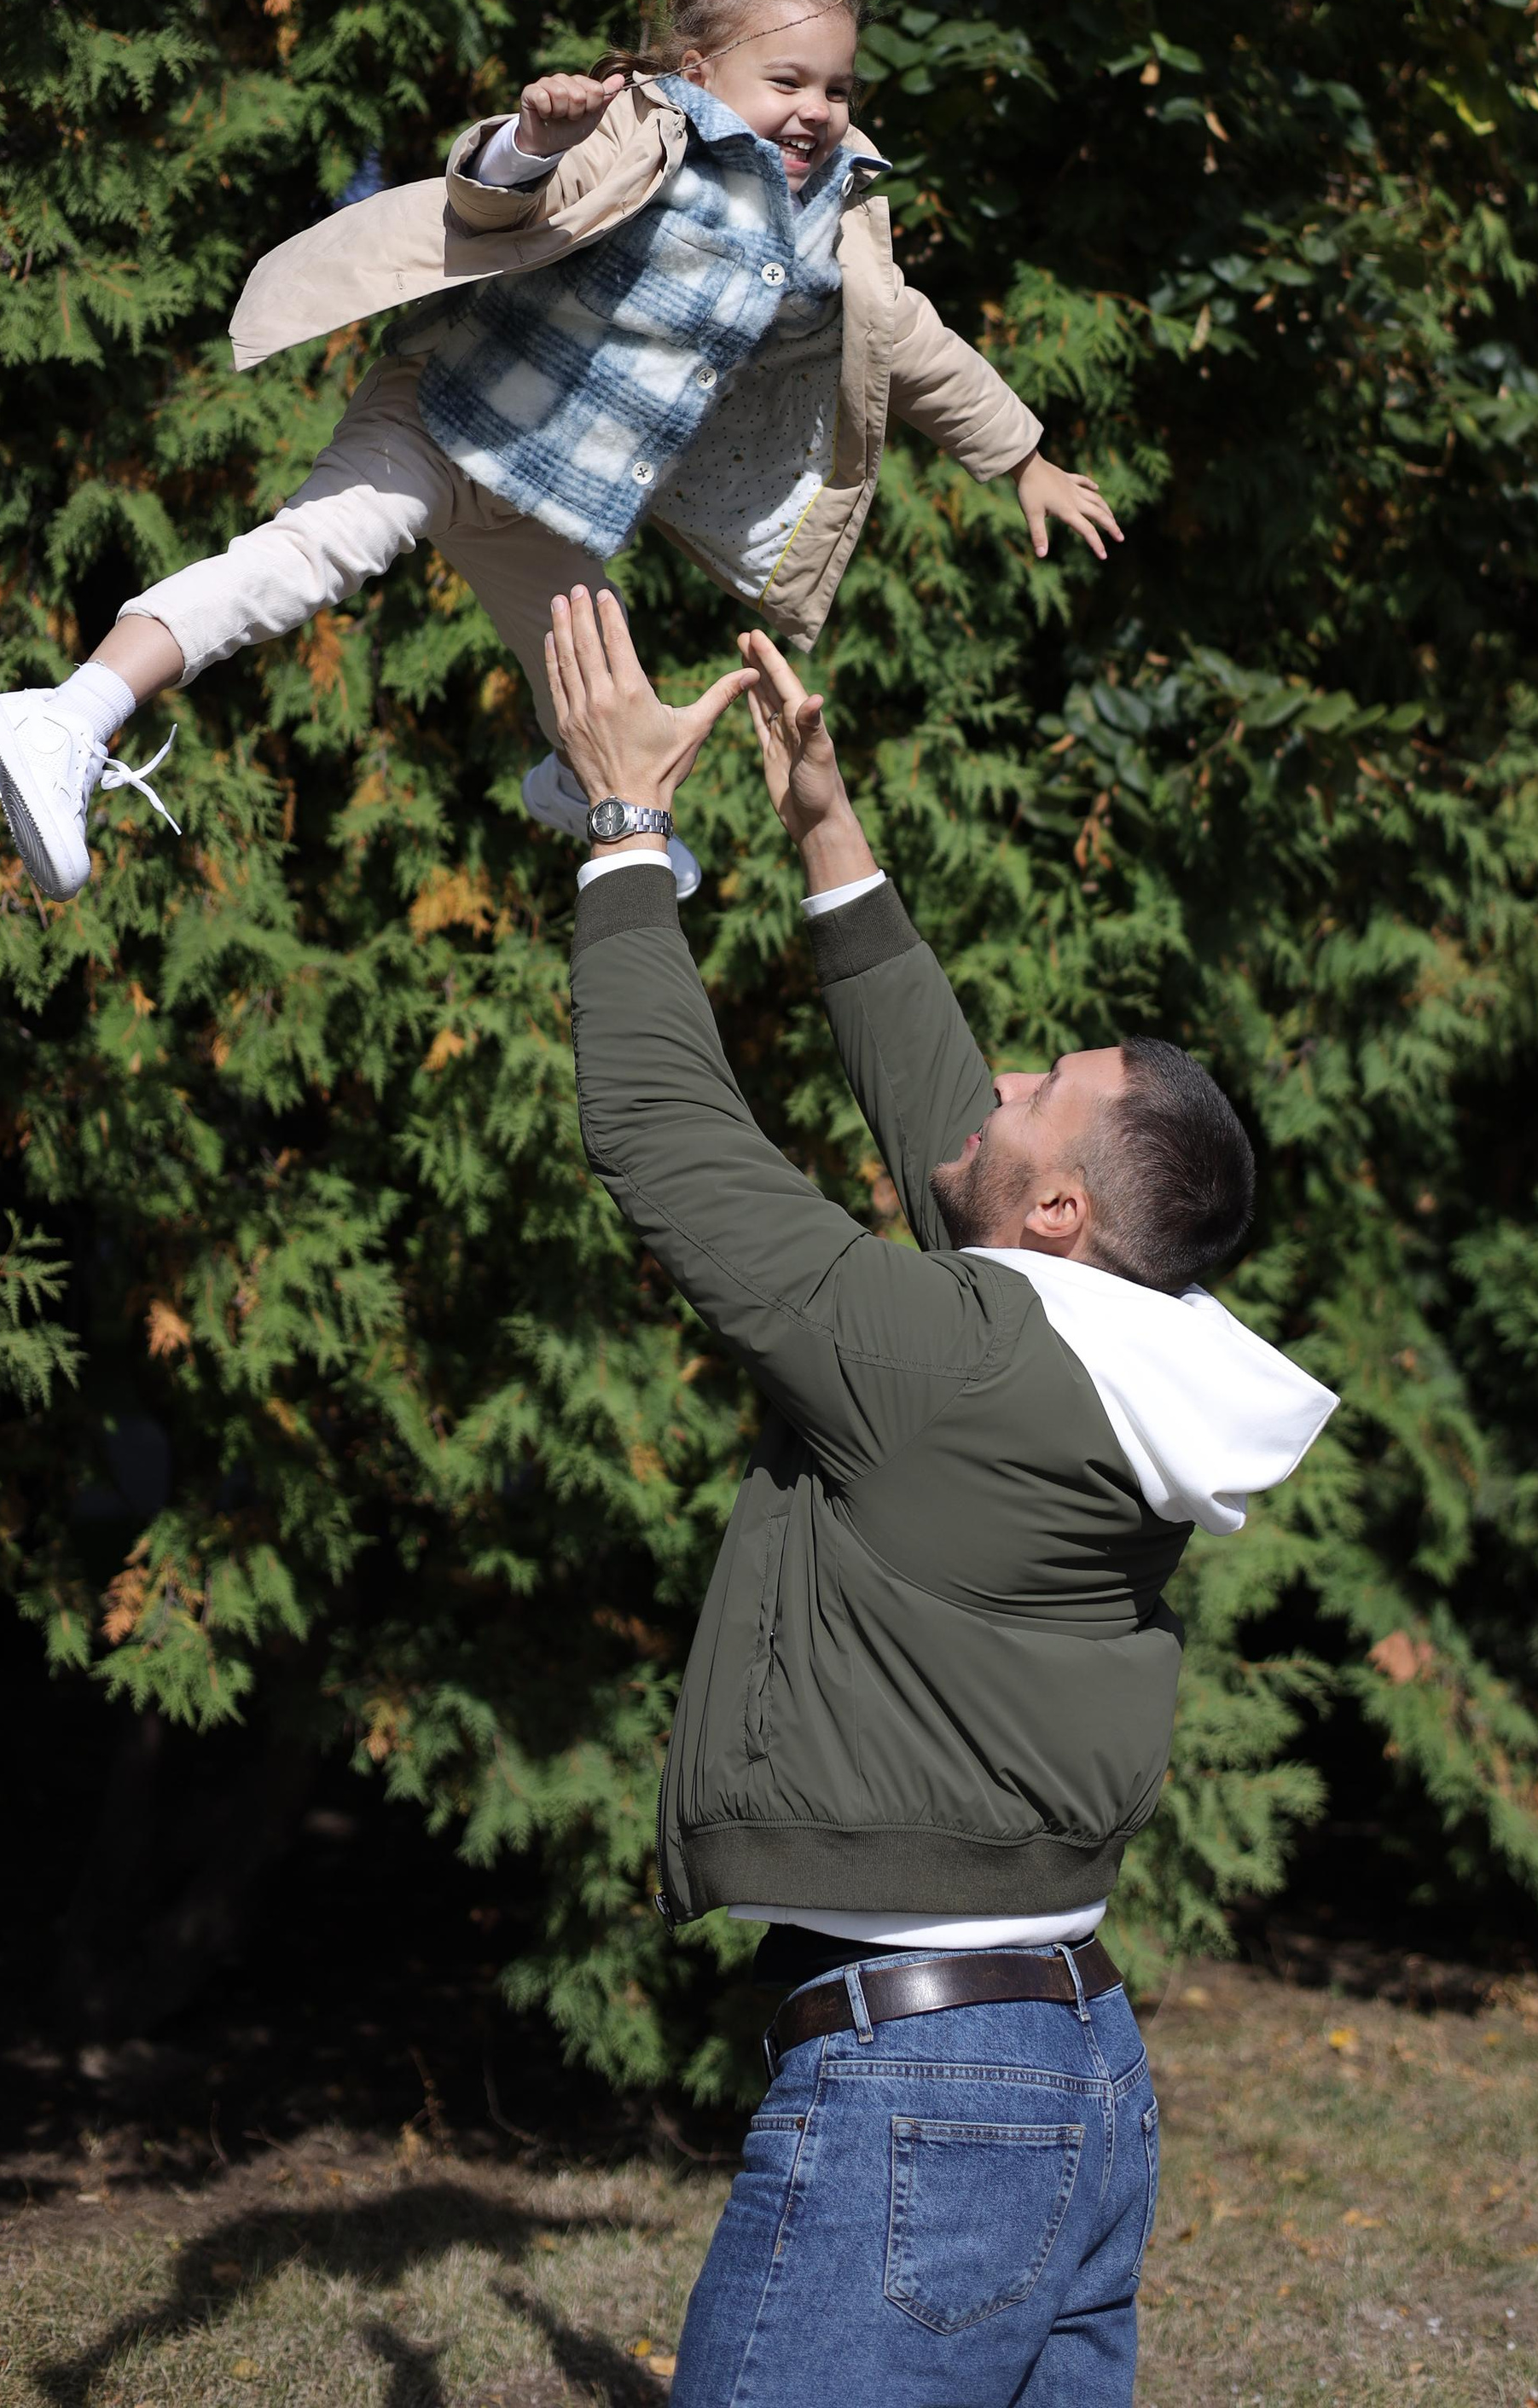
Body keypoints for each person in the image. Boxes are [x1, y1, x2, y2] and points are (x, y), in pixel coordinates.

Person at [543, 583, 1338, 2408]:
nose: (991, 1086)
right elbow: (953, 1147)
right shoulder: (1113, 1362)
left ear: (1061, 1218)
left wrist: (623, 832)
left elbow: (668, 1148)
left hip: (921, 2101)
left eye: (1040, 1092)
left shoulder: (961, 1363)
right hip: (1067, 2072)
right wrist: (827, 837)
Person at [0, 0, 1121, 904]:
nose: (817, 109)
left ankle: (586, 789)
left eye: (838, 88)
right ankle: (72, 716)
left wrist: (1018, 454)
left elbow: (906, 343)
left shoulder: (833, 224)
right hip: (441, 414)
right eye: (789, 84)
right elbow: (491, 190)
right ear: (700, 68)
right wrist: (537, 137)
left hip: (549, 498)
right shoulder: (644, 131)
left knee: (605, 682)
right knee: (302, 562)